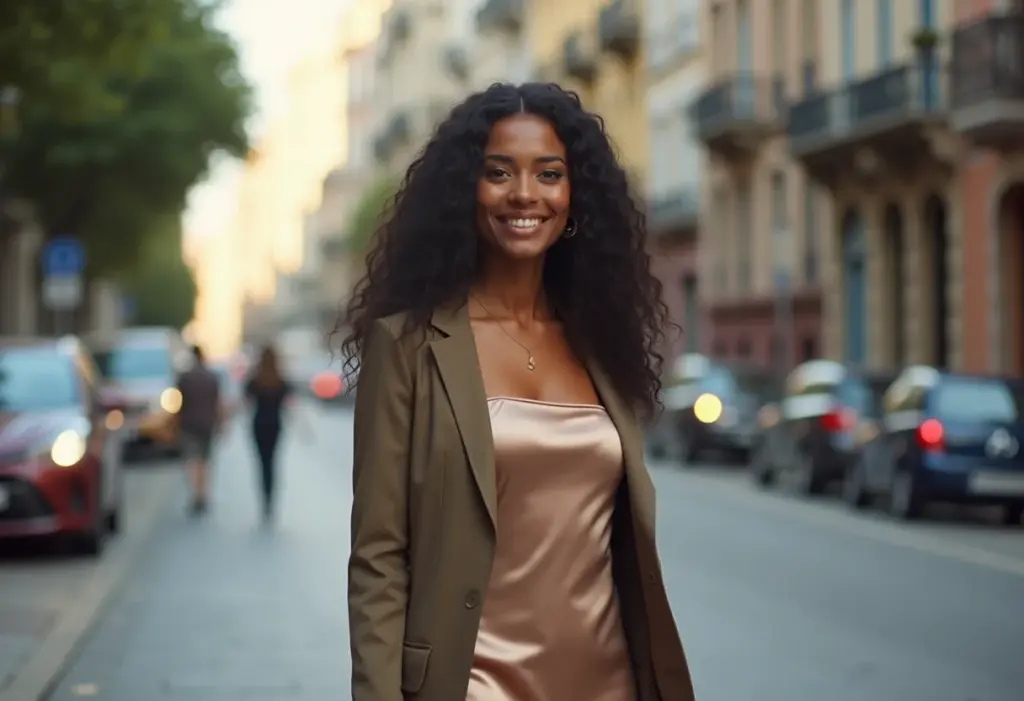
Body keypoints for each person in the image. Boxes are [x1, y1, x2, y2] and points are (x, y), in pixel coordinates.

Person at [341, 83, 695, 701]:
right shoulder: (407, 346)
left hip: (609, 682)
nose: (525, 194)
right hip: (473, 684)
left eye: (549, 174)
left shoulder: (602, 345)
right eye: (498, 173)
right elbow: (378, 559)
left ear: (574, 194)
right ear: (464, 193)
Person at [244, 344, 293, 522]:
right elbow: (289, 404)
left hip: (258, 424)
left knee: (261, 463)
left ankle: (264, 501)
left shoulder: (255, 380)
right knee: (272, 462)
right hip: (275, 424)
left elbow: (246, 402)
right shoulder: (280, 380)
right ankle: (271, 501)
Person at [175, 344, 222, 516]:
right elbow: (218, 404)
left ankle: (196, 494)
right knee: (205, 460)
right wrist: (221, 422)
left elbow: (177, 403)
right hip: (207, 423)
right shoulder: (212, 377)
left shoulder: (185, 378)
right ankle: (203, 493)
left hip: (189, 423)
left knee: (192, 460)